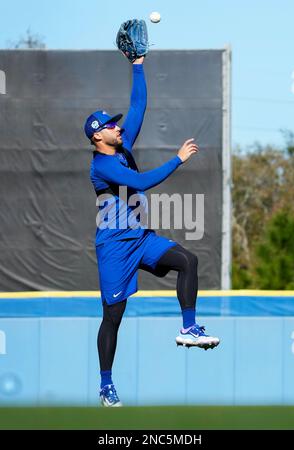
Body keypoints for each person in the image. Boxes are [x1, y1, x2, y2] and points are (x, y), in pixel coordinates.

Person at [84, 56, 220, 407]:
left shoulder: (122, 148)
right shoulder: (103, 165)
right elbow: (142, 181)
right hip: (115, 246)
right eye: (110, 126)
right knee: (113, 317)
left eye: (116, 125)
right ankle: (105, 384)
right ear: (97, 136)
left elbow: (138, 105)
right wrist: (177, 159)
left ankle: (189, 328)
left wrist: (138, 64)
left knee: (188, 260)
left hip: (140, 240)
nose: (118, 127)